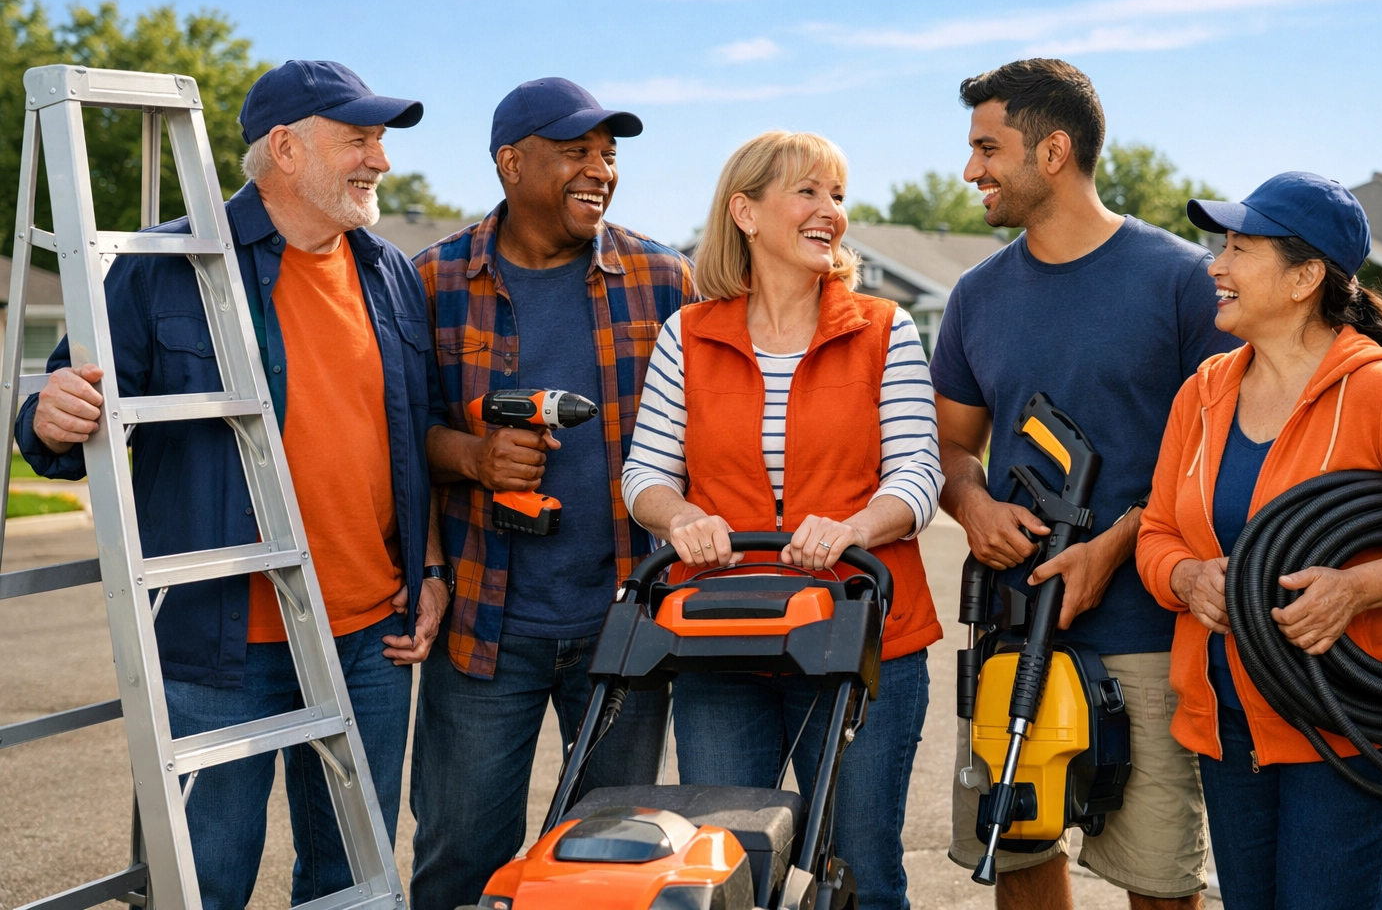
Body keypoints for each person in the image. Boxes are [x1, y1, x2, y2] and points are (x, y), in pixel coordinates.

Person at [17, 60, 444, 908]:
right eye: (359, 139)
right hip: (222, 644)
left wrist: (428, 571)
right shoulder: (164, 265)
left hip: (368, 635)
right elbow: (64, 422)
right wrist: (47, 411)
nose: (380, 162)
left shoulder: (391, 273)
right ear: (285, 149)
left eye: (381, 142)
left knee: (352, 883)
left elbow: (407, 444)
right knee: (207, 883)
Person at [1137, 172, 1382, 910]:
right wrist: (1186, 578)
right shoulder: (1204, 392)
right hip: (1231, 721)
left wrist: (1357, 589)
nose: (1215, 265)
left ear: (1305, 276)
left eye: (1238, 248)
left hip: (1347, 726)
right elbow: (1157, 532)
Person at [933, 59, 1237, 910]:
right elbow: (953, 448)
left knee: (1157, 880)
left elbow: (1217, 460)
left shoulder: (1182, 281)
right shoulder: (974, 297)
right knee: (1021, 862)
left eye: (988, 147)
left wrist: (1114, 546)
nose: (971, 170)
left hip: (1144, 629)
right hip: (1008, 626)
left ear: (1054, 150)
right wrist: (975, 503)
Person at [623, 129, 945, 910]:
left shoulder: (882, 328)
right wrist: (681, 517)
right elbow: (643, 476)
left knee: (862, 870)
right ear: (746, 211)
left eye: (837, 195)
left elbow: (918, 473)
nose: (829, 211)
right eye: (808, 192)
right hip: (722, 638)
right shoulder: (688, 335)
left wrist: (855, 528)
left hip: (859, 633)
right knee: (731, 869)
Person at [409, 77, 697, 907]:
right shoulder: (433, 281)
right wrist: (472, 456)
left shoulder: (663, 280)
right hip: (483, 628)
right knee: (461, 856)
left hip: (626, 628)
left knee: (611, 868)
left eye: (609, 155)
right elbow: (401, 436)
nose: (600, 170)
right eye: (576, 152)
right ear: (511, 163)